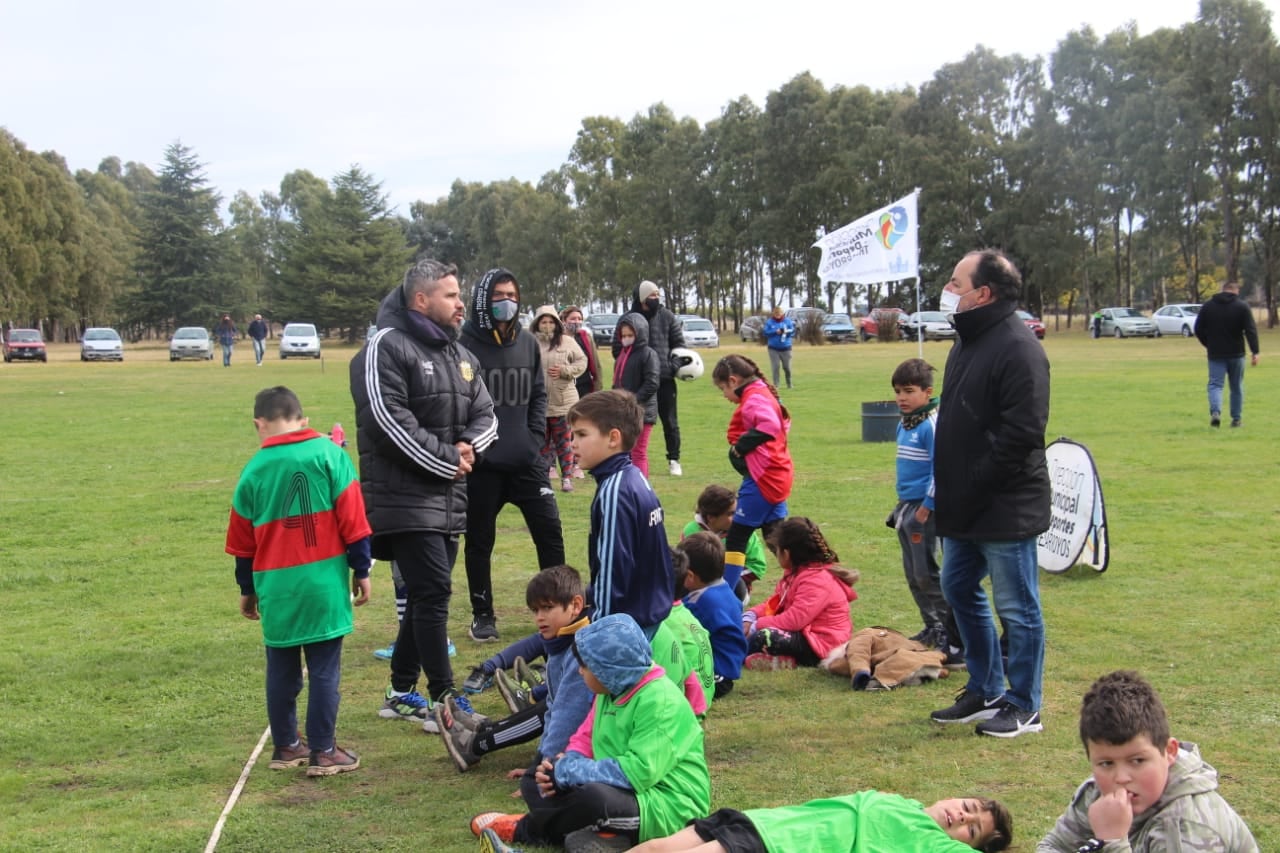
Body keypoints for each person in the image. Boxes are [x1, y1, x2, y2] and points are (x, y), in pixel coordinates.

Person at [349, 258, 497, 727]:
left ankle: (398, 690)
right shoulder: (385, 347)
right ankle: (445, 699)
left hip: (449, 496)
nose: (460, 305)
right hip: (402, 498)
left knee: (423, 596)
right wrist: (448, 460)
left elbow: (488, 413)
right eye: (451, 296)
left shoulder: (460, 355)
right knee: (433, 590)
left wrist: (469, 448)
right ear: (421, 299)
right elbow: (388, 419)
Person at [930, 249, 1050, 739]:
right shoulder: (966, 342)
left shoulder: (1019, 348)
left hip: (1005, 505)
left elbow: (1021, 433)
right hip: (963, 504)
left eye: (956, 283)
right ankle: (985, 688)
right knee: (957, 587)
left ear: (983, 293)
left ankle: (1025, 703)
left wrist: (975, 482)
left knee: (1017, 607)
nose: (948, 290)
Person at [224, 386, 372, 776]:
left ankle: (287, 745)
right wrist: (362, 569)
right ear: (303, 420)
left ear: (259, 424)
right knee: (324, 668)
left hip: (276, 586)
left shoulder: (253, 470)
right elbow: (354, 521)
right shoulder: (330, 454)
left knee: (281, 667)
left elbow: (242, 541)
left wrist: (246, 589)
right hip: (322, 583)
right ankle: (324, 751)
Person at [471, 613, 711, 852]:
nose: (580, 672)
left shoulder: (661, 702)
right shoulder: (612, 690)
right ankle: (605, 836)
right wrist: (561, 767)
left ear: (608, 669)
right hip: (625, 792)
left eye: (585, 665)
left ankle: (524, 829)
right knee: (535, 783)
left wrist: (569, 772)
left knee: (594, 799)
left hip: (668, 806)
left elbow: (638, 772)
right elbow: (583, 738)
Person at [1038, 670, 1258, 852]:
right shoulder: (1098, 795)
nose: (1121, 778)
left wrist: (1112, 841)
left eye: (1137, 761)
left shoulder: (1189, 828)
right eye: (1106, 764)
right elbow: (1054, 846)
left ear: (1169, 751)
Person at [460, 270, 567, 643]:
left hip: (527, 462)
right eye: (498, 295)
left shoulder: (525, 342)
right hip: (483, 466)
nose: (507, 301)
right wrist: (473, 446)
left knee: (550, 533)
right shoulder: (463, 345)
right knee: (479, 541)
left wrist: (534, 438)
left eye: (512, 295)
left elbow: (539, 395)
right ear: (482, 299)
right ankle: (482, 613)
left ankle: (558, 609)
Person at [432, 564, 593, 774]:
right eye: (536, 610)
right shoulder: (560, 643)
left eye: (547, 608)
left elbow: (567, 719)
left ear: (576, 605)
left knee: (550, 710)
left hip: (597, 750)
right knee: (549, 708)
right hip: (579, 743)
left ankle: (476, 744)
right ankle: (484, 731)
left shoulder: (579, 651)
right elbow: (556, 710)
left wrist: (542, 773)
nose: (539, 617)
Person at [567, 390, 674, 634]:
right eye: (573, 434)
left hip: (626, 620)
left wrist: (600, 628)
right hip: (646, 610)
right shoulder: (634, 476)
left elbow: (613, 567)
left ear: (613, 438)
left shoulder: (615, 490)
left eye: (582, 434)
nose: (572, 442)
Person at [630, 790, 1013, 853]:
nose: (963, 815)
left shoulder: (930, 844)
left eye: (972, 829)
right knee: (655, 848)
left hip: (776, 847)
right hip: (759, 822)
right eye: (968, 806)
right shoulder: (905, 804)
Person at [889, 358, 961, 661]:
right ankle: (931, 625)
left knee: (926, 573)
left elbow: (942, 468)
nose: (901, 398)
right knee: (911, 572)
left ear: (927, 391)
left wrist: (928, 505)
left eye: (908, 391)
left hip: (924, 509)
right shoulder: (905, 423)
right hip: (907, 505)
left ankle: (951, 632)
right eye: (897, 391)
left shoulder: (932, 424)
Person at [710, 354, 793, 595]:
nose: (724, 395)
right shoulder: (761, 392)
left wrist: (741, 446)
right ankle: (803, 579)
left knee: (737, 537)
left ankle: (724, 593)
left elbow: (770, 426)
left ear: (734, 381)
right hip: (776, 478)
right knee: (777, 538)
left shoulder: (754, 397)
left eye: (723, 388)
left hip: (762, 481)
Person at [742, 517, 858, 671]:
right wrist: (750, 615)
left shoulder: (817, 580)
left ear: (787, 554)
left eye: (776, 550)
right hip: (804, 634)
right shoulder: (796, 573)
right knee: (745, 628)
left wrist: (756, 625)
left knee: (764, 637)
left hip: (820, 644)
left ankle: (740, 652)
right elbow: (776, 603)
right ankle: (779, 660)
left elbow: (794, 620)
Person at [614, 280, 686, 476]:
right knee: (631, 426)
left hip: (663, 380)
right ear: (642, 297)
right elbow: (617, 349)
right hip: (635, 384)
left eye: (657, 295)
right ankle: (627, 463)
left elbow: (680, 346)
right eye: (652, 295)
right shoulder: (627, 319)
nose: (656, 298)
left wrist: (672, 367)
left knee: (670, 421)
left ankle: (674, 459)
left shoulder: (667, 316)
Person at [678, 531, 746, 699]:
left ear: (690, 576)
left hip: (717, 675)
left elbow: (679, 628)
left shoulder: (700, 603)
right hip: (728, 670)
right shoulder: (724, 589)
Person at [532, 305, 586, 492]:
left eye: (550, 322)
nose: (547, 325)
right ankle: (542, 480)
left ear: (556, 323)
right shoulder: (530, 342)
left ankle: (567, 479)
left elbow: (582, 361)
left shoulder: (567, 342)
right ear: (538, 323)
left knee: (564, 442)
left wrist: (566, 371)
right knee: (542, 444)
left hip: (564, 402)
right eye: (543, 322)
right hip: (539, 403)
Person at [683, 483, 768, 599]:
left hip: (734, 588)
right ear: (711, 517)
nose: (737, 517)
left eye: (737, 512)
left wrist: (726, 576)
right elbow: (684, 563)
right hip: (698, 584)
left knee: (737, 586)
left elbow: (757, 566)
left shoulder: (743, 532)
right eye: (730, 514)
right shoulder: (690, 531)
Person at [1194, 280, 1260, 428]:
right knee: (1236, 386)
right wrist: (1255, 351)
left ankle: (1216, 412)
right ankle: (1236, 420)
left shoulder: (1208, 306)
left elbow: (1198, 328)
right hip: (1237, 353)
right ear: (1236, 291)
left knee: (1215, 385)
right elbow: (1250, 330)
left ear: (1222, 290)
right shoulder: (1242, 306)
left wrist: (1208, 343)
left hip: (1215, 353)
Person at [610, 313, 661, 478]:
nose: (626, 338)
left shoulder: (648, 354)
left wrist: (632, 402)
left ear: (639, 333)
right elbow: (617, 381)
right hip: (625, 410)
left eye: (630, 335)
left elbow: (652, 383)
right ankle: (630, 483)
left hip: (642, 411)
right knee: (627, 450)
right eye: (623, 335)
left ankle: (641, 486)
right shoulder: (623, 355)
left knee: (638, 451)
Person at [561, 306, 602, 413]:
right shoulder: (558, 339)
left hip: (585, 385)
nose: (577, 322)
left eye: (579, 319)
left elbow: (596, 363)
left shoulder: (586, 338)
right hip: (566, 387)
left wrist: (598, 386)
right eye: (573, 319)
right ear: (564, 320)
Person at [762, 306, 795, 390]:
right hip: (773, 348)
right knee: (775, 367)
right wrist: (775, 332)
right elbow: (765, 332)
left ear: (782, 313)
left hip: (786, 348)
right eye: (776, 314)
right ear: (774, 314)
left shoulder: (787, 321)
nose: (778, 315)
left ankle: (789, 383)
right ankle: (776, 385)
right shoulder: (770, 322)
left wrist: (786, 332)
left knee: (787, 367)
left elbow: (792, 331)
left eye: (779, 313)